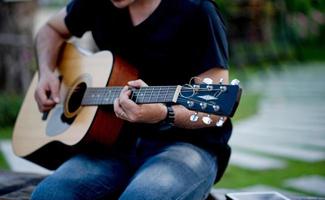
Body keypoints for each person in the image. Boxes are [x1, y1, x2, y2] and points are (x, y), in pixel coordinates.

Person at [31, 0, 232, 199]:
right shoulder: (96, 3)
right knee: (48, 195)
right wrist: (46, 72)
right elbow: (50, 30)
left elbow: (215, 109)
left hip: (187, 146)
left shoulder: (198, 11)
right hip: (113, 145)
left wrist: (164, 113)